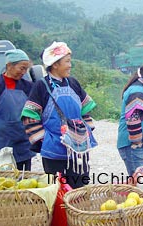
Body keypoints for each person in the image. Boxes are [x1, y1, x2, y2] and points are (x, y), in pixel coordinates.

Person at [21, 41, 96, 188]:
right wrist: (46, 140)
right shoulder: (41, 86)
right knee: (57, 191)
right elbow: (30, 117)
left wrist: (85, 131)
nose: (70, 65)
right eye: (67, 62)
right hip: (54, 150)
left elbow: (85, 110)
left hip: (78, 150)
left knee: (79, 191)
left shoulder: (73, 83)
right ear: (55, 64)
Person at [0, 49, 35, 171]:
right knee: (2, 177)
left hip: (22, 139)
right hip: (1, 139)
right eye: (21, 68)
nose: (24, 72)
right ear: (9, 65)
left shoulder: (29, 87)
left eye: (26, 69)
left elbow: (35, 112)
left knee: (24, 177)